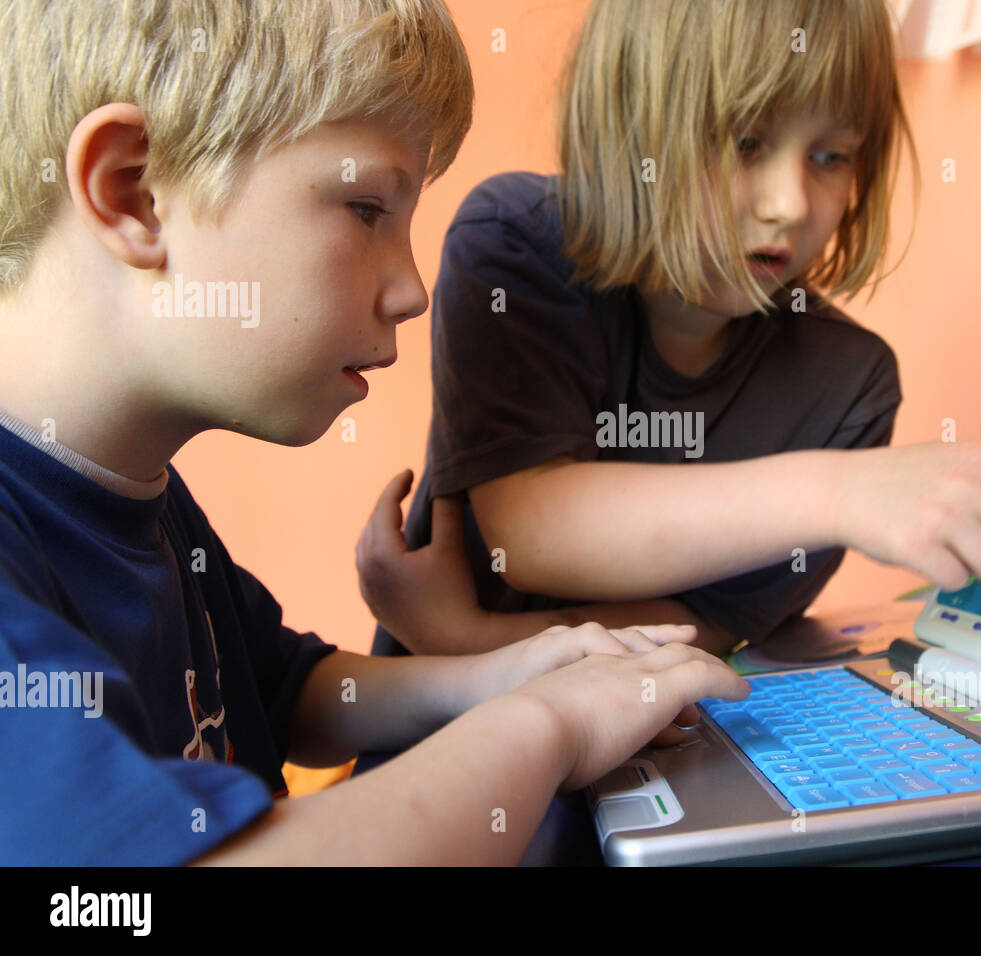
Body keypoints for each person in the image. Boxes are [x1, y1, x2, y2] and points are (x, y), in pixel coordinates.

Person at [0, 0, 746, 866]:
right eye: (365, 209)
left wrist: (511, 672)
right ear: (135, 190)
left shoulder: (141, 499)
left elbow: (292, 694)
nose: (412, 291)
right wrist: (554, 724)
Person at [358, 0, 981, 661]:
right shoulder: (515, 240)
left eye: (830, 156)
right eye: (747, 141)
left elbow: (704, 628)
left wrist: (461, 638)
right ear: (630, 124)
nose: (791, 202)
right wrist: (839, 492)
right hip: (445, 737)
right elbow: (528, 532)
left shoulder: (850, 386)